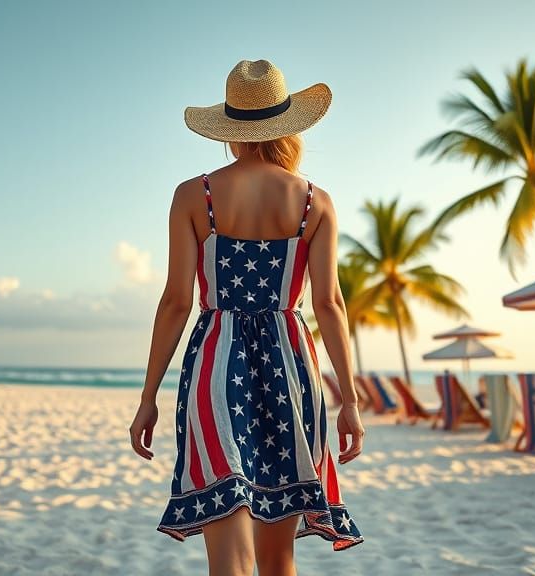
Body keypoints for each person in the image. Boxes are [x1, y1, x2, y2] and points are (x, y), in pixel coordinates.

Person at [129, 59, 365, 576]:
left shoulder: (195, 195)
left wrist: (148, 397)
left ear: (230, 130)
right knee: (279, 561)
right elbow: (329, 305)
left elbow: (175, 301)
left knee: (228, 559)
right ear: (288, 123)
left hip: (217, 366)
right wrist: (349, 400)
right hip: (291, 368)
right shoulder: (315, 202)